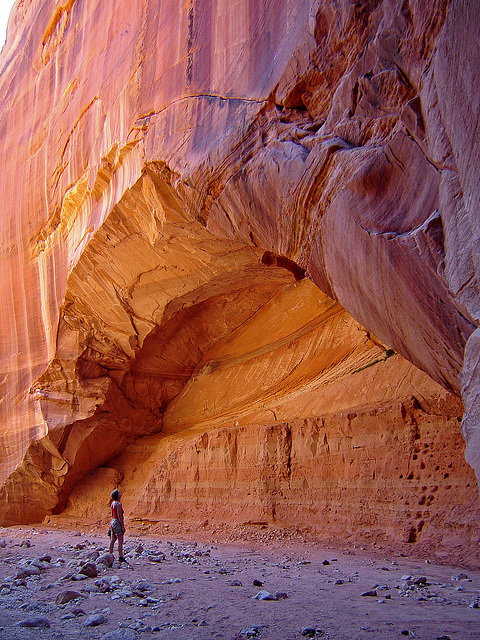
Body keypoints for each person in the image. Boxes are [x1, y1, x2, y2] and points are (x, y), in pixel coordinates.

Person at [109, 489, 126, 562]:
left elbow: (113, 514)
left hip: (113, 521)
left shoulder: (113, 503)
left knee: (113, 539)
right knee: (120, 540)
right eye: (118, 492)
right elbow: (120, 516)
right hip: (117, 522)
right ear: (117, 495)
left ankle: (110, 555)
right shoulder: (118, 504)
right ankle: (121, 556)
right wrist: (122, 526)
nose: (120, 492)